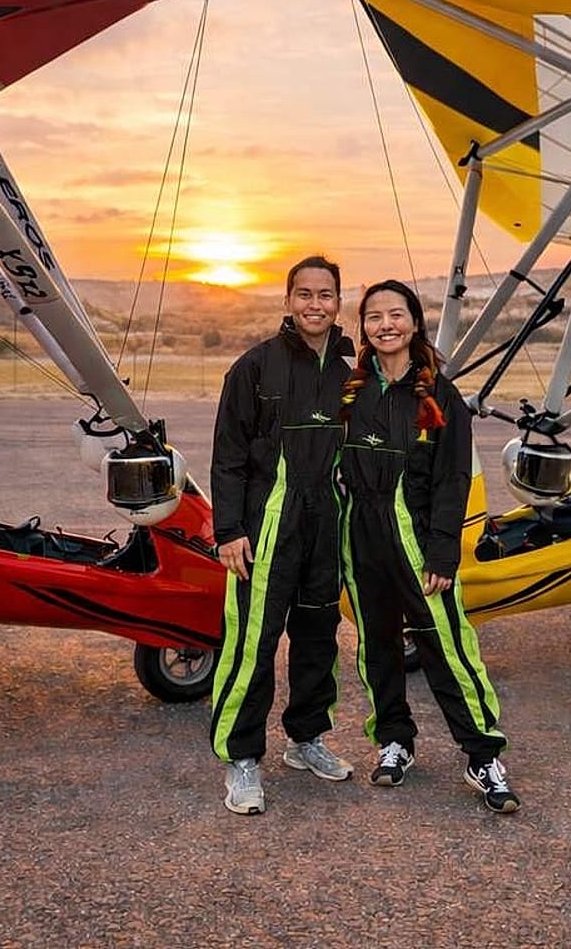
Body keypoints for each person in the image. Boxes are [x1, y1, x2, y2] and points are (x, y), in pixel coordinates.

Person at [338, 279, 519, 814]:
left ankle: (482, 754)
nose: (385, 324)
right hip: (363, 540)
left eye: (396, 314)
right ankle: (394, 740)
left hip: (418, 542)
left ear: (415, 322)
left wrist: (444, 552)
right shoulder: (351, 391)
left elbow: (452, 478)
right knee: (378, 646)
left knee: (446, 647)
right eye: (374, 316)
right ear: (364, 327)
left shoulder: (440, 394)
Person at [209, 256, 357, 815]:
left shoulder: (351, 373)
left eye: (326, 295)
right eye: (304, 294)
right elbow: (228, 456)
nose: (315, 304)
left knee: (319, 636)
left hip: (326, 527)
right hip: (267, 528)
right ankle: (242, 760)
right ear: (287, 300)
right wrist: (229, 530)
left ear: (339, 303)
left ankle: (306, 740)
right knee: (254, 643)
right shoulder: (255, 367)